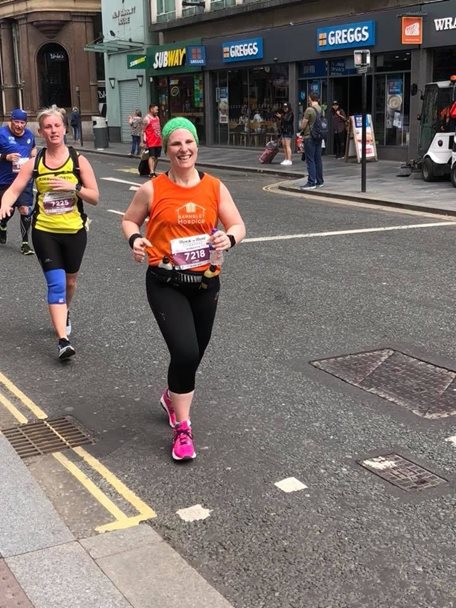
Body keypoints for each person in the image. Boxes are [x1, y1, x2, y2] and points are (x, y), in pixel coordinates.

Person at [122, 117, 246, 462]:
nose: (183, 149)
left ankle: (171, 396)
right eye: (176, 144)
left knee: (193, 354)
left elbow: (237, 224)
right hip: (166, 282)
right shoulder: (153, 188)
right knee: (186, 352)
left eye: (188, 142)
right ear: (167, 148)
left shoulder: (215, 187)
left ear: (196, 146)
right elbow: (129, 219)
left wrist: (229, 237)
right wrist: (135, 239)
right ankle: (183, 426)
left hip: (206, 282)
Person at [0, 107, 99, 360]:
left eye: (57, 126)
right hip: (45, 231)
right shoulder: (36, 163)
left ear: (65, 128)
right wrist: (5, 202)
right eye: (48, 127)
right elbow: (15, 189)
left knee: (70, 282)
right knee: (56, 283)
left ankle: (65, 311)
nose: (53, 130)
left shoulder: (78, 161)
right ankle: (62, 341)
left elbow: (95, 197)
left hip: (75, 230)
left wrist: (73, 186)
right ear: (41, 132)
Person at [0, 109, 37, 255]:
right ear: (11, 120)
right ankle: (2, 224)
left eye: (22, 123)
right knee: (6, 211)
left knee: (25, 209)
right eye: (16, 122)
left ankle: (25, 243)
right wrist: (5, 157)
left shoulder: (29, 135)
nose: (19, 125)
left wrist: (34, 155)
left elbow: (33, 148)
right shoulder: (2, 134)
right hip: (5, 180)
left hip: (24, 180)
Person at [299, 93, 324, 190]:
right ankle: (320, 181)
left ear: (311, 99)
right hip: (319, 136)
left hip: (309, 137)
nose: (308, 100)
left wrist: (301, 126)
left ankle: (311, 182)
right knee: (318, 159)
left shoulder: (309, 109)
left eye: (309, 98)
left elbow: (303, 125)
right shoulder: (321, 109)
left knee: (310, 160)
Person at [143, 104, 162, 178]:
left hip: (158, 141)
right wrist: (142, 142)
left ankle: (153, 170)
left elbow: (159, 128)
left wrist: (161, 139)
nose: (157, 111)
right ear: (151, 109)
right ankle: (151, 172)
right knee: (152, 156)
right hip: (151, 141)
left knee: (157, 157)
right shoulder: (146, 119)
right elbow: (142, 130)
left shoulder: (157, 117)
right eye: (156, 109)